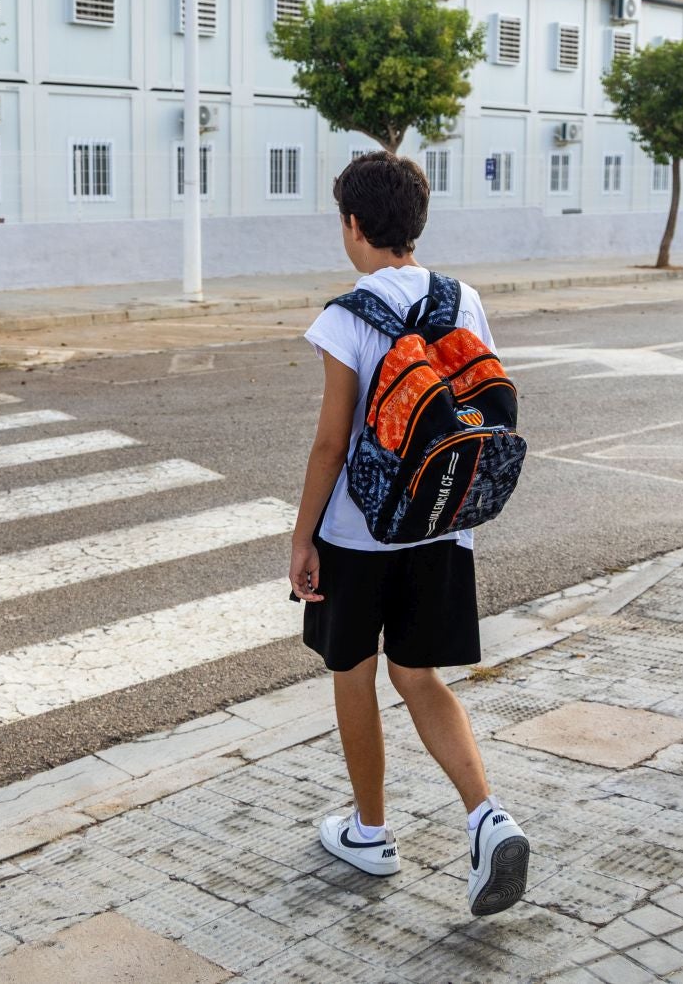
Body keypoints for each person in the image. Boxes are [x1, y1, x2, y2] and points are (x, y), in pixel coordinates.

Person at [289, 150, 530, 918]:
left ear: (354, 226)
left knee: (354, 672)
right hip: (441, 525)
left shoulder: (343, 317)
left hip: (360, 536)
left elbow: (332, 443)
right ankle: (489, 817)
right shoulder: (464, 299)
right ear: (416, 225)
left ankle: (370, 832)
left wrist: (302, 539)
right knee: (420, 676)